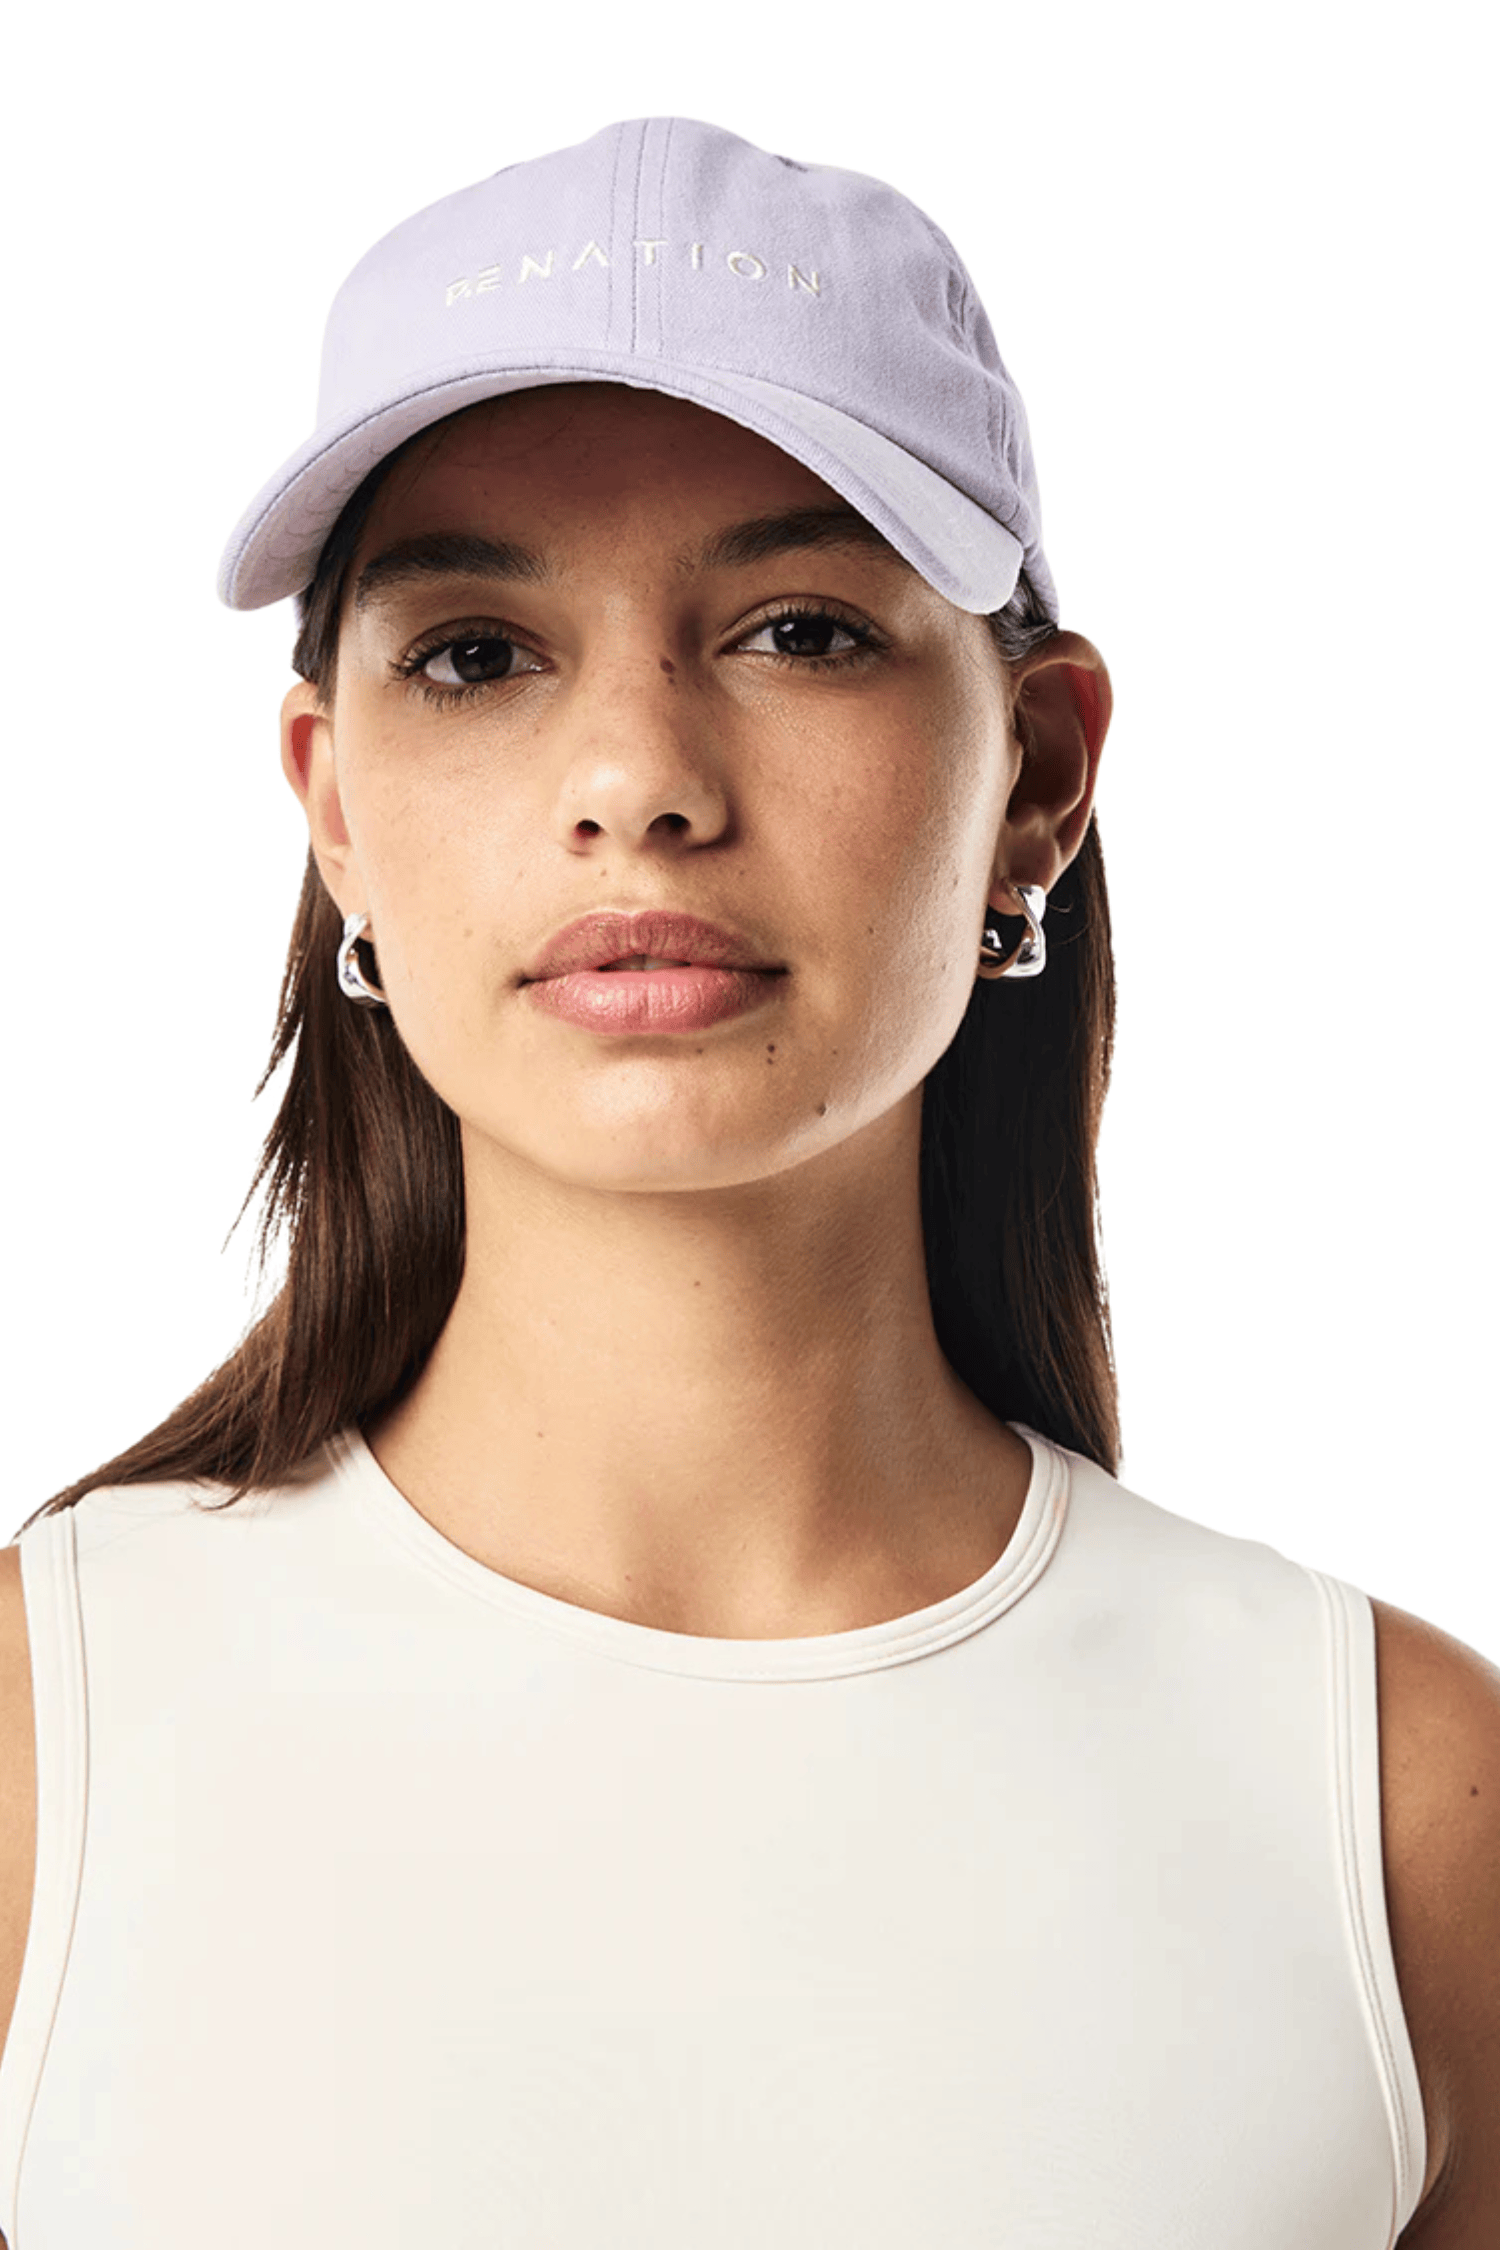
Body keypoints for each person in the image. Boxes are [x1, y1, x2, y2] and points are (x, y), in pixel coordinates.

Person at [0, 116, 1494, 2248]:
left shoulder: (1400, 1815)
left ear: (1038, 774)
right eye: (477, 654)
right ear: (333, 805)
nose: (637, 780)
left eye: (798, 631)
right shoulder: (39, 1757)